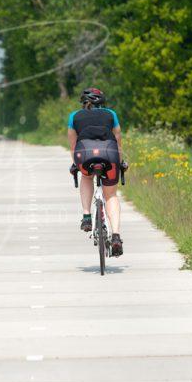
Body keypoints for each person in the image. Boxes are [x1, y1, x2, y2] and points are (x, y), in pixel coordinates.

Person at [67, 88, 127, 257]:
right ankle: (115, 235)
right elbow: (117, 140)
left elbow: (73, 145)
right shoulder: (111, 114)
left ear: (83, 102)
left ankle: (86, 215)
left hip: (84, 154)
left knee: (86, 176)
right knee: (111, 196)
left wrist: (75, 164)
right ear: (102, 102)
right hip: (110, 154)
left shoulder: (74, 116)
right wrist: (120, 161)